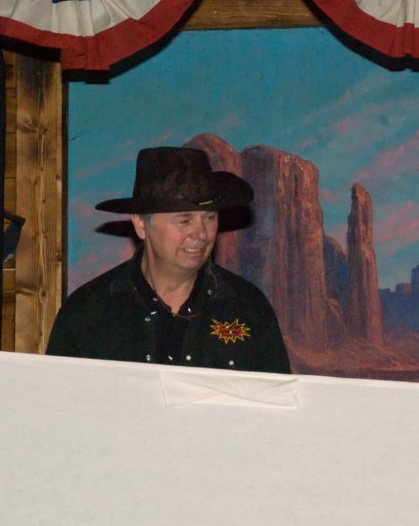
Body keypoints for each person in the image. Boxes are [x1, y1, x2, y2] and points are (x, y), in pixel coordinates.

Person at [46, 146, 291, 374]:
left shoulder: (248, 308)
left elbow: (277, 410)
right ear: (141, 223)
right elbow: (58, 407)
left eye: (210, 218)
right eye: (184, 221)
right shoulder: (89, 312)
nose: (201, 234)